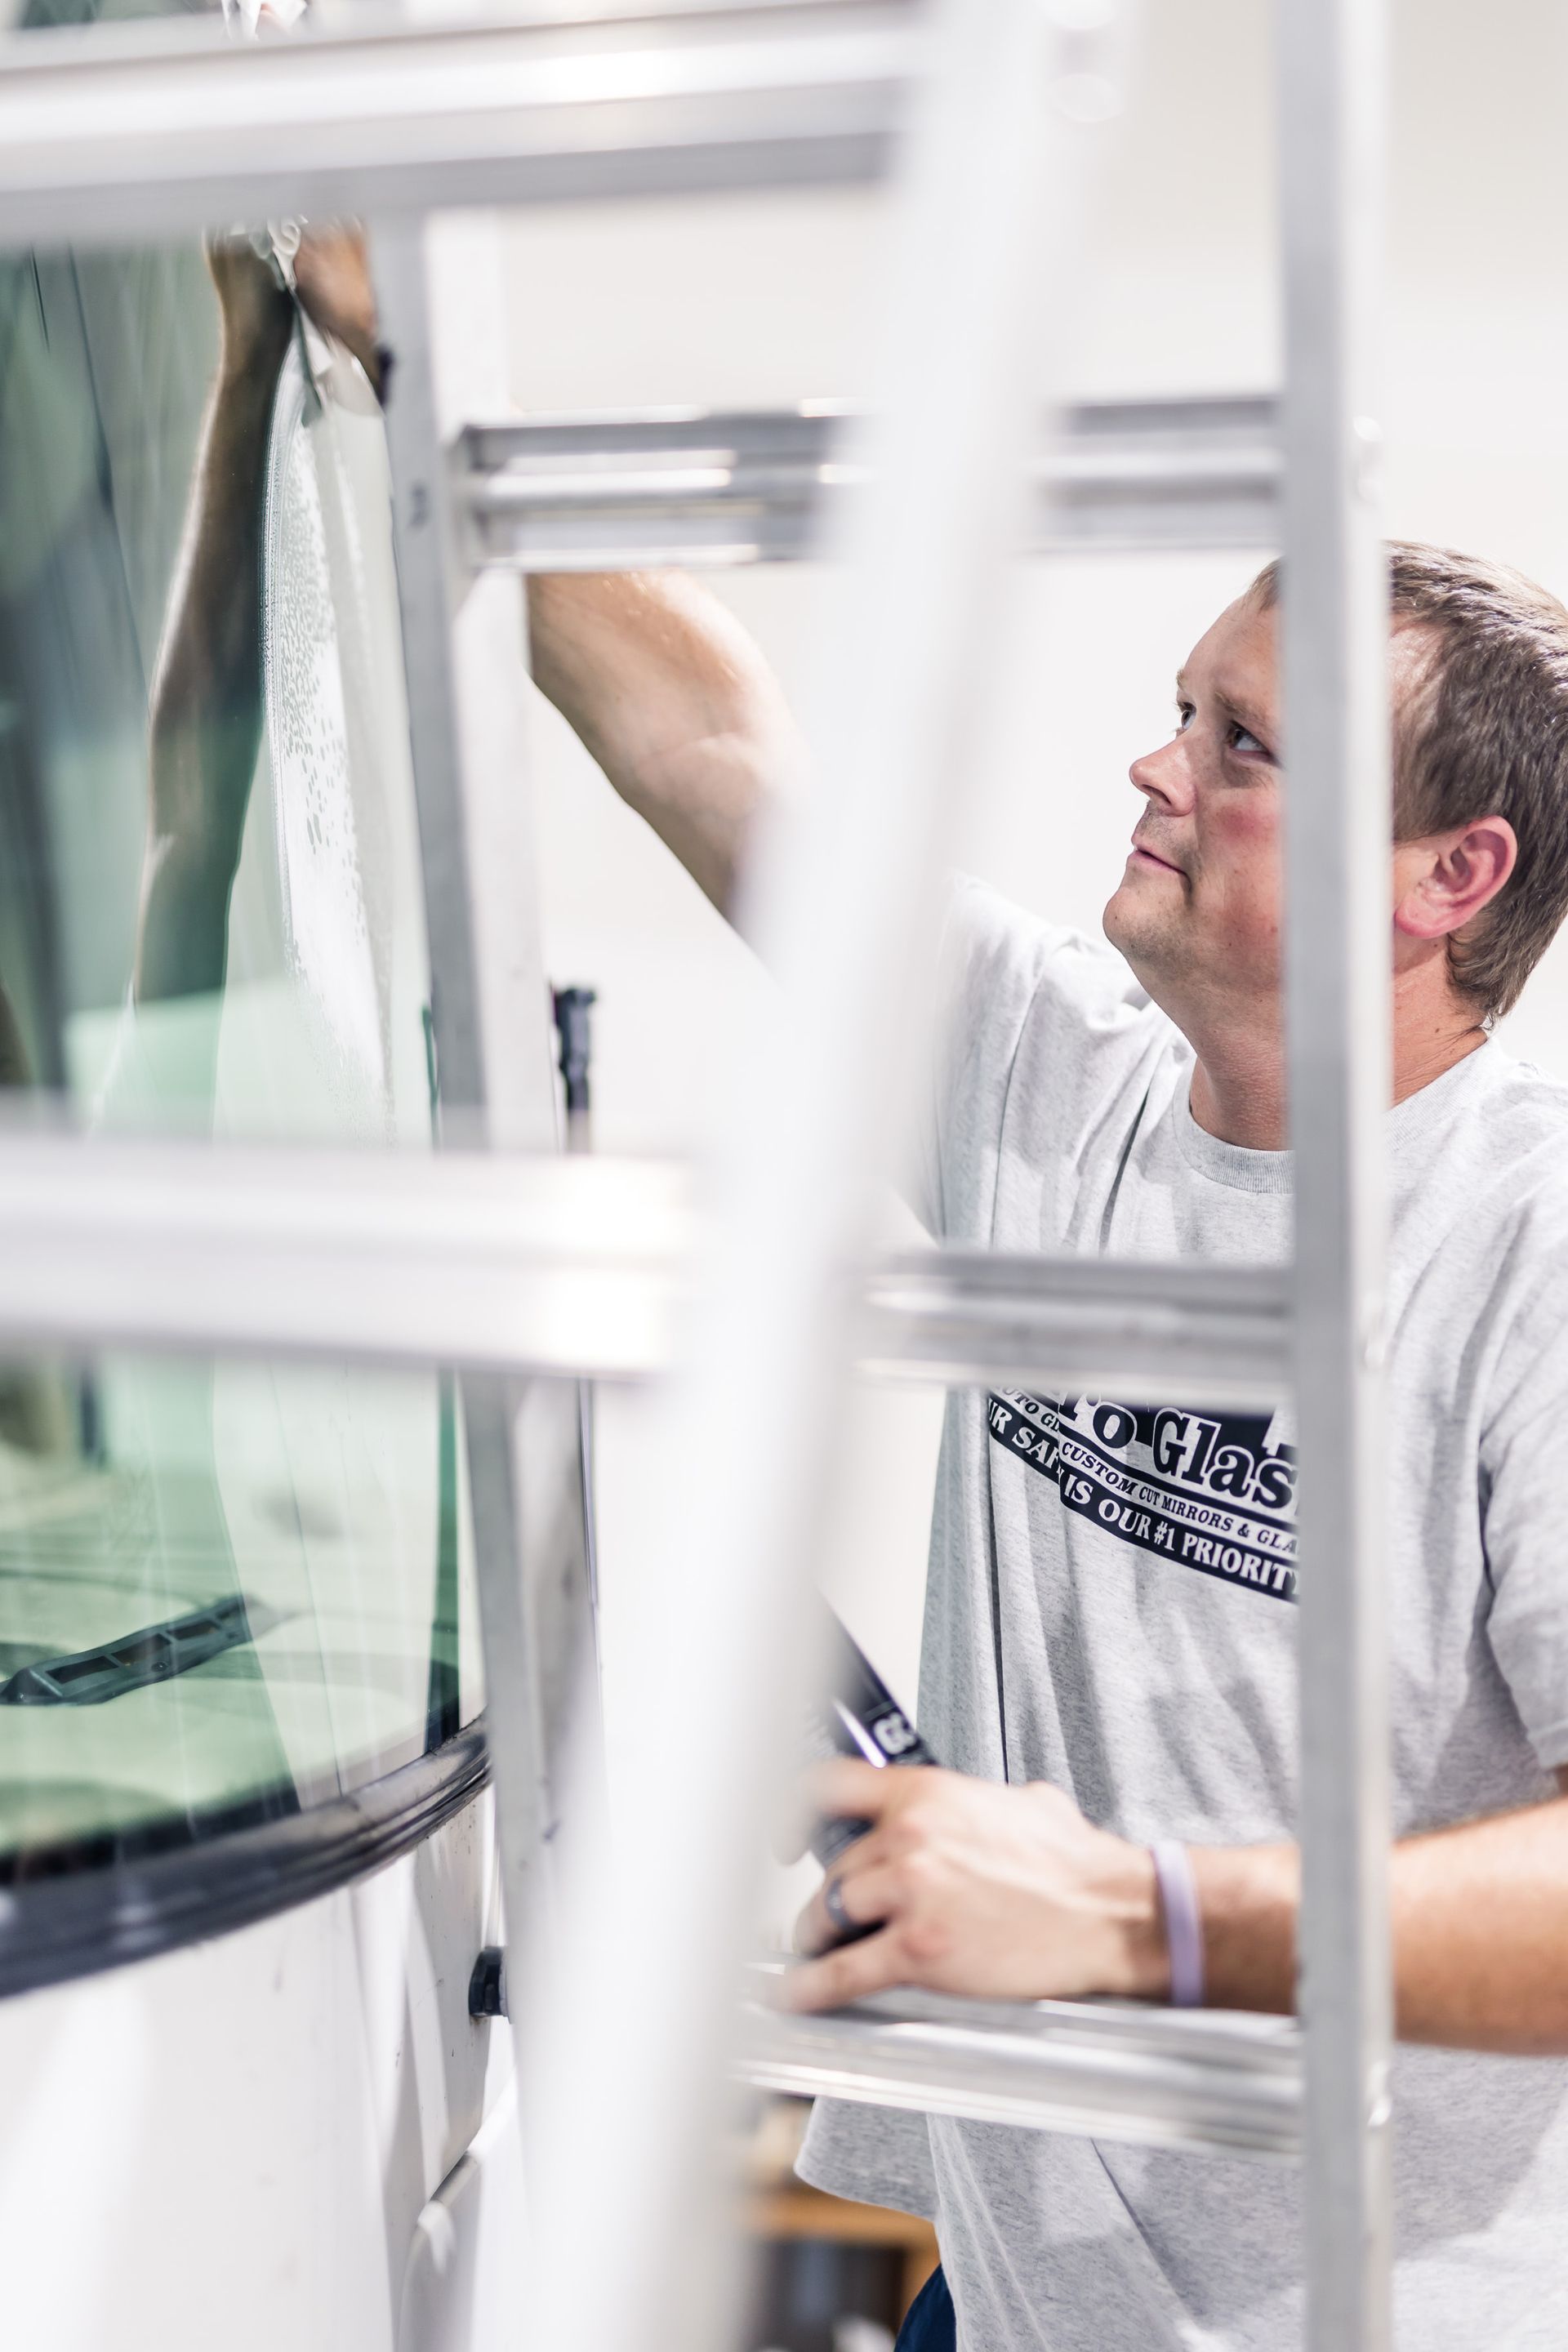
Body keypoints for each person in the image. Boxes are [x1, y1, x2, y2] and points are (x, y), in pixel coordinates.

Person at [207, 238, 1568, 2346]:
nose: (1157, 770)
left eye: (1244, 745)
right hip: (1009, 2297)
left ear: (1448, 878)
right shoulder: (1052, 1083)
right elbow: (711, 738)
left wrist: (1137, 1918)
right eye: (1174, 712)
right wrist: (417, 345)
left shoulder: (1525, 1243)